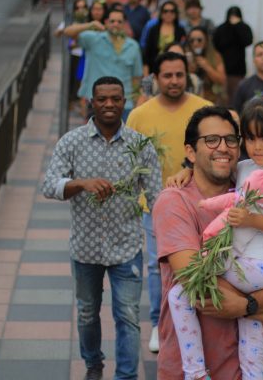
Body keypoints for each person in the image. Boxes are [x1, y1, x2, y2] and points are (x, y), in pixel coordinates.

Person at [152, 106, 263, 379]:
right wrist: (259, 310)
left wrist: (250, 306)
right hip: (193, 367)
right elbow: (194, 278)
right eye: (211, 140)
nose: (223, 147)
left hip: (251, 366)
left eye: (230, 140)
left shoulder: (256, 193)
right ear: (190, 152)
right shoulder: (174, 201)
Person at [42, 76, 162, 380]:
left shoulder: (140, 145)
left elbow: (157, 196)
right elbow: (49, 185)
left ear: (124, 102)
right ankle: (93, 364)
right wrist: (81, 183)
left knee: (128, 316)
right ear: (91, 102)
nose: (109, 104)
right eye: (103, 99)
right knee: (86, 313)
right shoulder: (72, 142)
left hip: (127, 247)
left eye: (116, 99)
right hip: (85, 248)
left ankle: (126, 376)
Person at [126, 52, 212, 353]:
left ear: (188, 76)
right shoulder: (139, 116)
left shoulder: (205, 110)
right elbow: (130, 164)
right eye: (167, 75)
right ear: (155, 78)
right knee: (158, 267)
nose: (174, 81)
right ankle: (159, 324)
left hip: (202, 204)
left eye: (179, 75)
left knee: (205, 261)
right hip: (155, 206)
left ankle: (203, 321)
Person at [63, 7, 143, 122]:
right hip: (97, 102)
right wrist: (90, 24)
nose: (115, 24)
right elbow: (68, 32)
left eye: (119, 21)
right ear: (106, 22)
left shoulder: (133, 46)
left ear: (125, 24)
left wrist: (137, 100)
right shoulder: (93, 38)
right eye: (112, 21)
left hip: (124, 104)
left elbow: (136, 77)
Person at [213, 6, 253, 104]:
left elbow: (248, 41)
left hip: (238, 71)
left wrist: (238, 26)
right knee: (221, 98)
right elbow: (215, 45)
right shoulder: (221, 29)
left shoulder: (244, 27)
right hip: (221, 70)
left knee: (236, 98)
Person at [143, 0, 186, 76]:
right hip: (154, 68)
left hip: (175, 67)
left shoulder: (180, 30)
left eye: (172, 11)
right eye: (165, 11)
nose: (168, 14)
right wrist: (146, 74)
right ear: (161, 13)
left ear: (176, 13)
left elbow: (183, 49)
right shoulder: (153, 29)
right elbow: (147, 53)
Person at [186, 26, 227, 105]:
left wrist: (207, 67)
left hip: (211, 99)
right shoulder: (187, 56)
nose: (195, 43)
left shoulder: (215, 56)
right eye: (192, 40)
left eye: (199, 40)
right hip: (191, 100)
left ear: (206, 41)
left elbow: (222, 80)